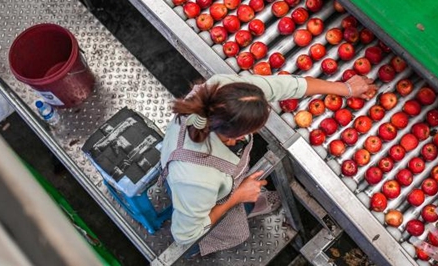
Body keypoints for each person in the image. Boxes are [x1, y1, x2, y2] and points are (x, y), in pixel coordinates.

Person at [160, 73, 376, 256]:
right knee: (209, 228)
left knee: (236, 191)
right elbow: (185, 234)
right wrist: (237, 196)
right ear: (238, 136)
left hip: (210, 180)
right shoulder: (195, 179)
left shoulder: (223, 92)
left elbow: (288, 85)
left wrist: (345, 88)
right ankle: (231, 218)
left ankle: (248, 202)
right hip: (193, 200)